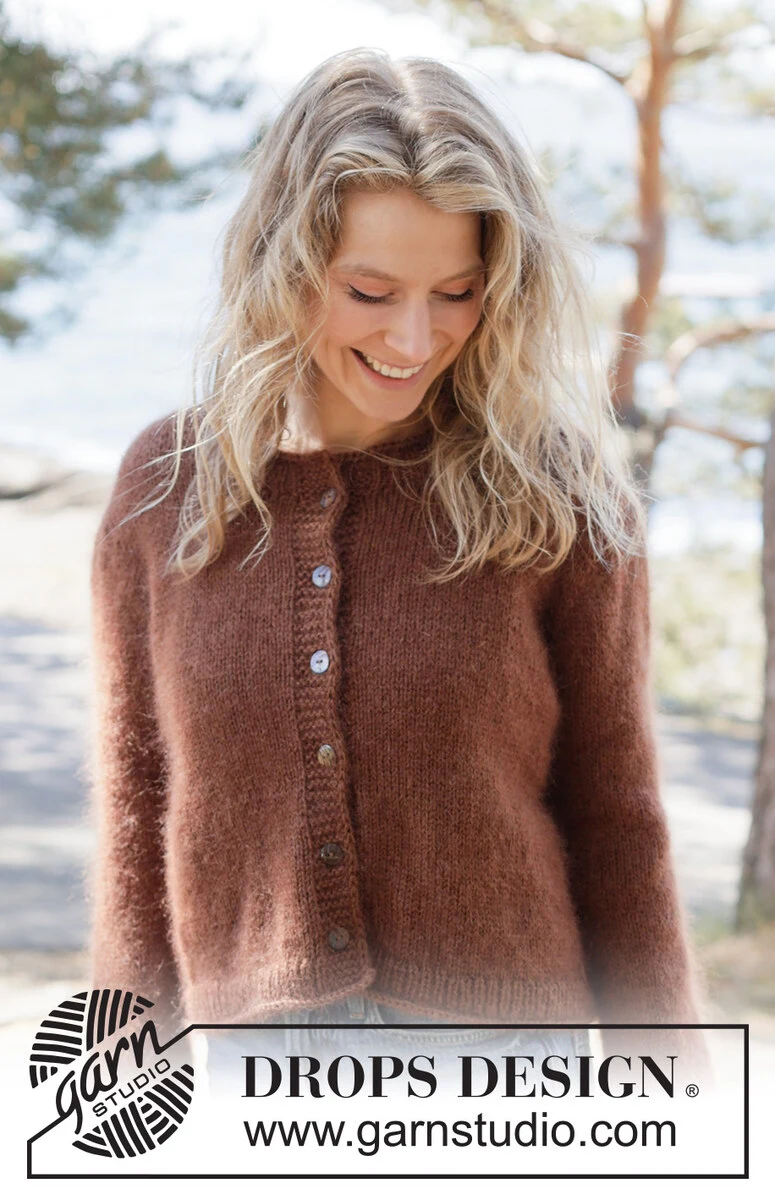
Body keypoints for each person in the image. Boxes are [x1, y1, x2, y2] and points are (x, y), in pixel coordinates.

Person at [85, 48, 710, 1092]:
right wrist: (118, 1086)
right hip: (254, 1084)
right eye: (369, 290)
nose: (415, 338)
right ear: (286, 266)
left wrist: (673, 1092)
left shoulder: (553, 494)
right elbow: (138, 814)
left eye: (456, 292)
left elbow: (617, 815)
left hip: (504, 1080)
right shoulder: (166, 490)